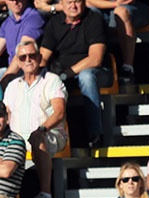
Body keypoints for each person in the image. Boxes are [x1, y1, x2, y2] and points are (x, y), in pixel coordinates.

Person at [3, 39, 68, 198]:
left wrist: (41, 129)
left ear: (39, 58)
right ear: (18, 62)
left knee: (37, 138)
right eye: (23, 57)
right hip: (18, 141)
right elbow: (6, 116)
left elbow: (59, 112)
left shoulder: (51, 80)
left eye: (32, 56)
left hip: (49, 135)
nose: (28, 60)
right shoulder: (12, 86)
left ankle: (46, 195)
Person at [39, 0, 111, 149]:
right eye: (69, 2)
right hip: (62, 73)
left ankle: (96, 134)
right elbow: (44, 56)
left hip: (95, 72)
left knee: (86, 77)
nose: (73, 6)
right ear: (62, 4)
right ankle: (49, 139)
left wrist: (67, 74)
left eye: (77, 1)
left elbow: (95, 58)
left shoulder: (93, 19)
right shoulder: (54, 23)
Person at [0, 0, 45, 85]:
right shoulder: (7, 23)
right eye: (11, 0)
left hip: (25, 73)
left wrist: (3, 82)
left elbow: (22, 55)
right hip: (9, 71)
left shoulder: (34, 19)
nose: (15, 2)